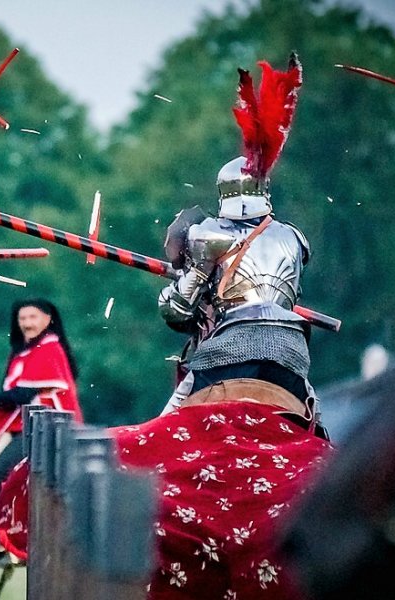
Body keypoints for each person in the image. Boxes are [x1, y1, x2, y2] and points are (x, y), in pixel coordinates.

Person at [157, 52, 325, 437]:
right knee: (316, 429)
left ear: (224, 193)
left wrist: (185, 280)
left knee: (165, 430)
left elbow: (177, 312)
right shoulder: (294, 237)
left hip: (232, 346)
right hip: (292, 349)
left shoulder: (209, 234)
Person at [0, 298, 83, 489]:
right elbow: (12, 397)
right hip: (25, 425)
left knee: (3, 472)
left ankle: (15, 517)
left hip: (46, 429)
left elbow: (22, 395)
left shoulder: (49, 349)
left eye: (33, 317)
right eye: (22, 318)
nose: (27, 323)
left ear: (48, 319)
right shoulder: (23, 353)